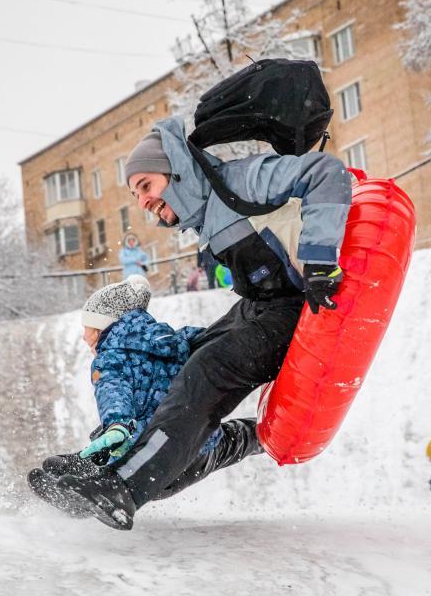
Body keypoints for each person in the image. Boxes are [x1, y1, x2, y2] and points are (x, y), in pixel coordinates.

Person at [48, 116, 350, 529]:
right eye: (136, 195)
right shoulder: (207, 213)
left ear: (174, 170)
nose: (143, 202)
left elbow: (326, 171)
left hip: (295, 306)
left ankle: (125, 488)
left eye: (146, 186)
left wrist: (319, 260)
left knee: (207, 371)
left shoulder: (237, 182)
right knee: (190, 356)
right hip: (260, 305)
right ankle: (110, 462)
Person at [29, 275, 261, 508]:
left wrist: (117, 423)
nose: (84, 337)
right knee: (241, 437)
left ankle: (88, 490)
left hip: (155, 461)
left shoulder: (110, 358)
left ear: (105, 325)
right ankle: (271, 431)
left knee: (122, 445)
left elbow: (113, 391)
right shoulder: (178, 340)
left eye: (88, 328)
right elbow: (216, 339)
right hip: (203, 447)